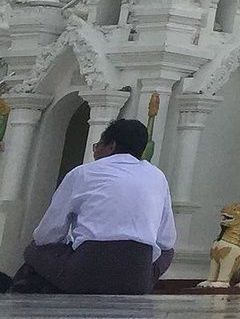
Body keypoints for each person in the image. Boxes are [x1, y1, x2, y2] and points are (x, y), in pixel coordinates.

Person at [10, 118, 175, 295]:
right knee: (168, 252)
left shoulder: (82, 173)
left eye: (97, 146)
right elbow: (166, 240)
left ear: (111, 146)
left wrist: (69, 248)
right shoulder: (157, 177)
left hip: (85, 272)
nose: (95, 152)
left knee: (35, 248)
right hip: (137, 279)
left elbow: (47, 234)